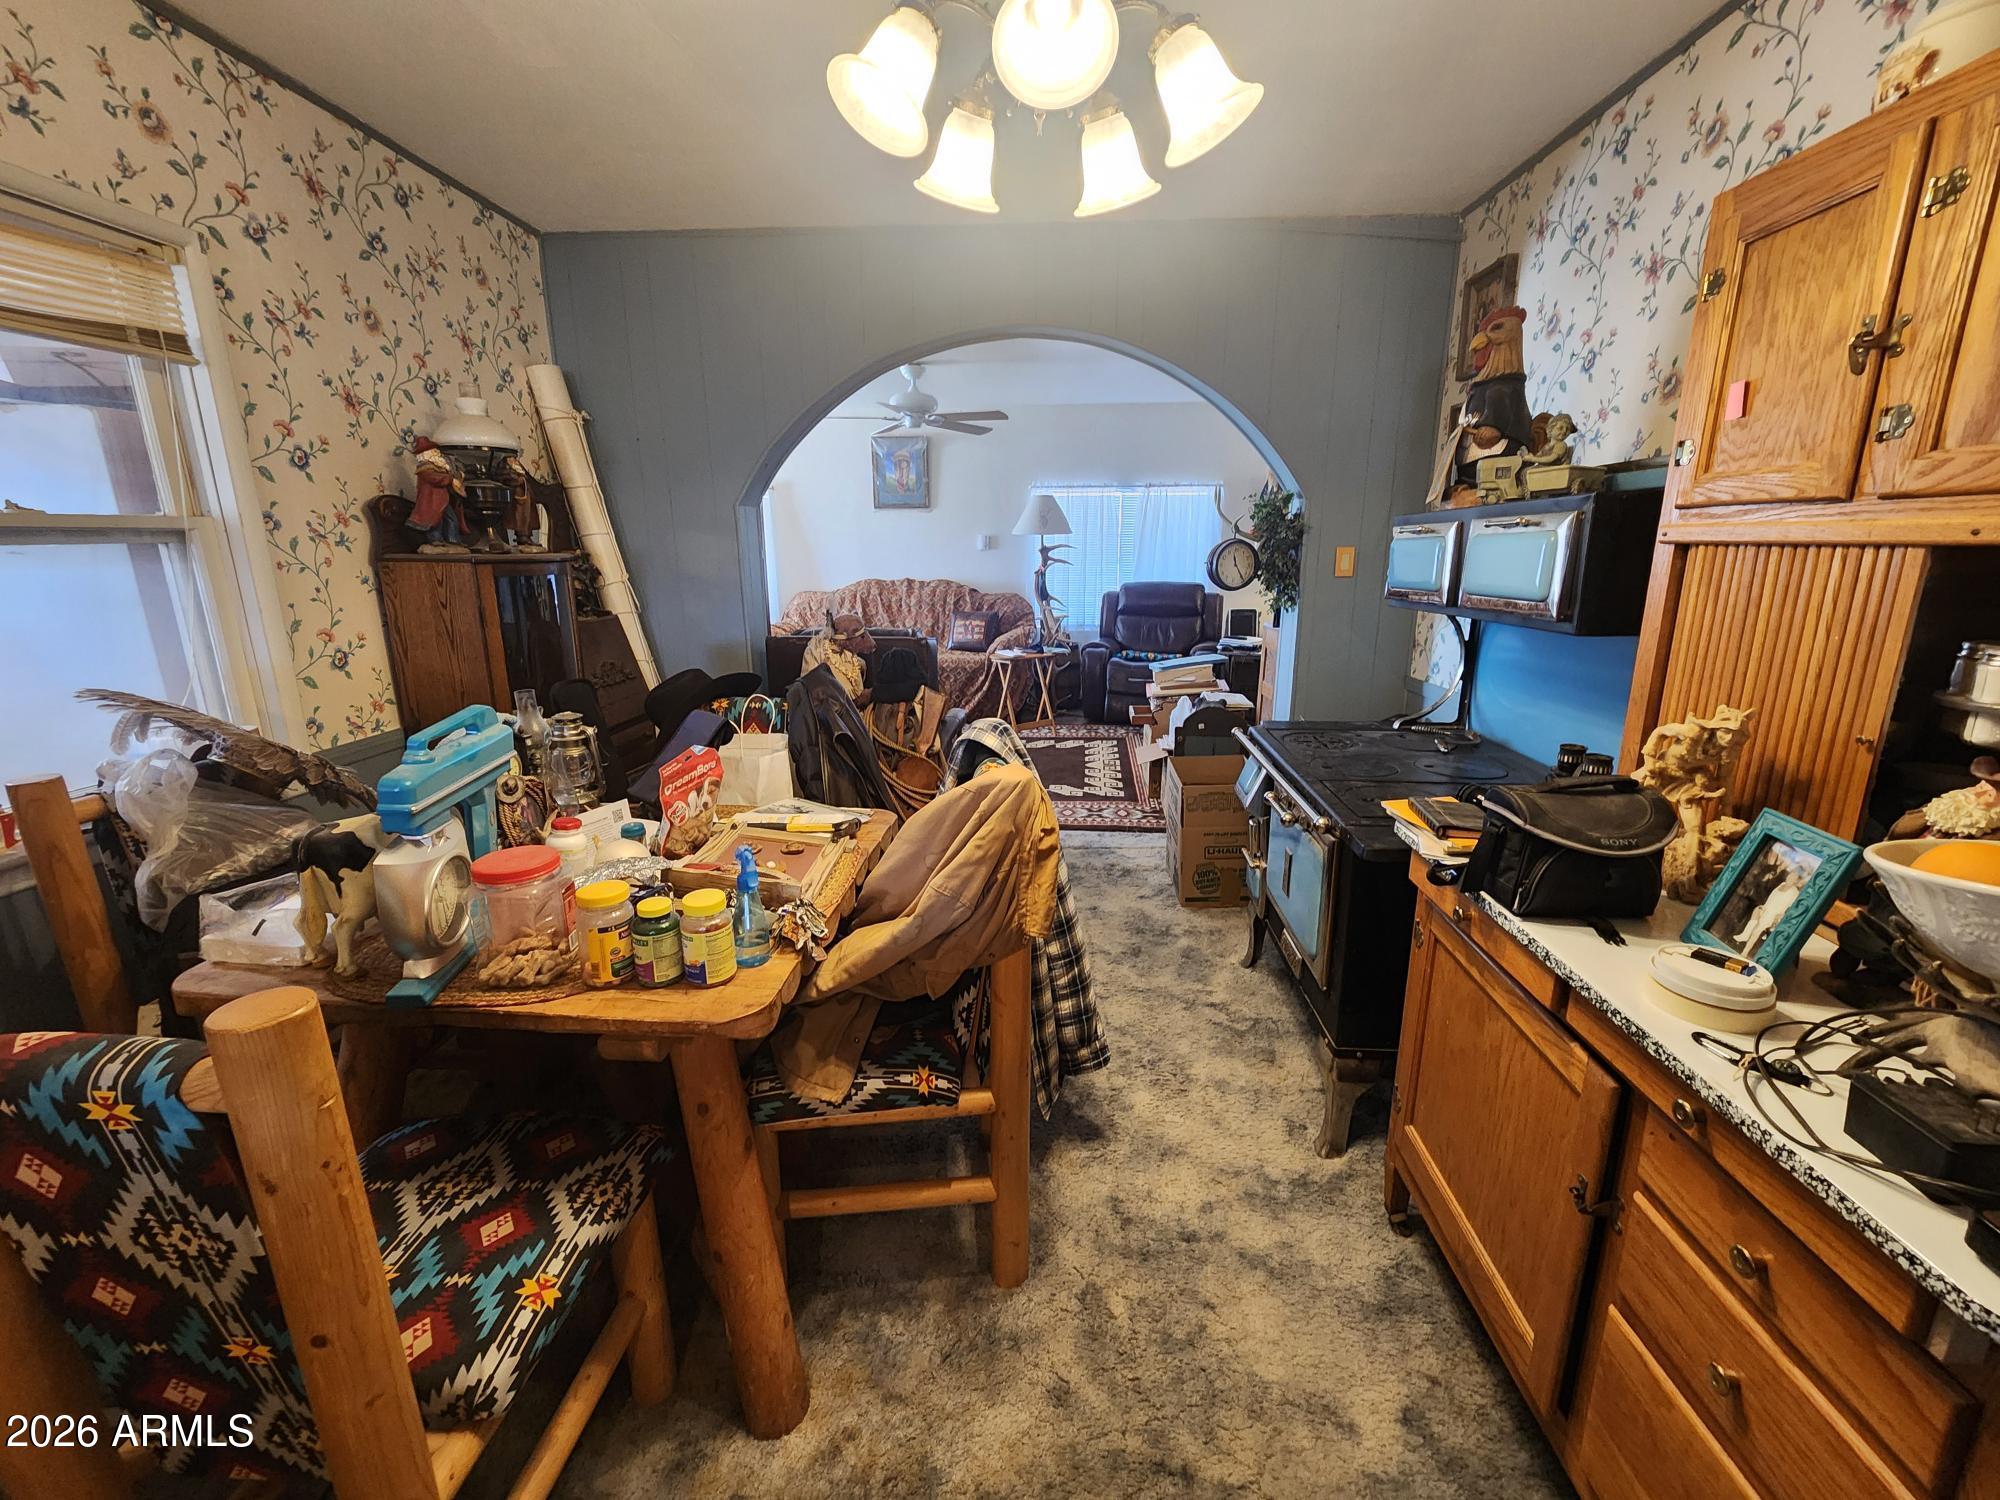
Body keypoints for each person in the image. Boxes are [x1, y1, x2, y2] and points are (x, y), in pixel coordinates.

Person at [802, 611, 875, 706]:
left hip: (857, 710)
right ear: (846, 639)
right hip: (832, 712)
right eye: (861, 637)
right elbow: (812, 691)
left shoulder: (854, 659)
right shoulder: (816, 652)